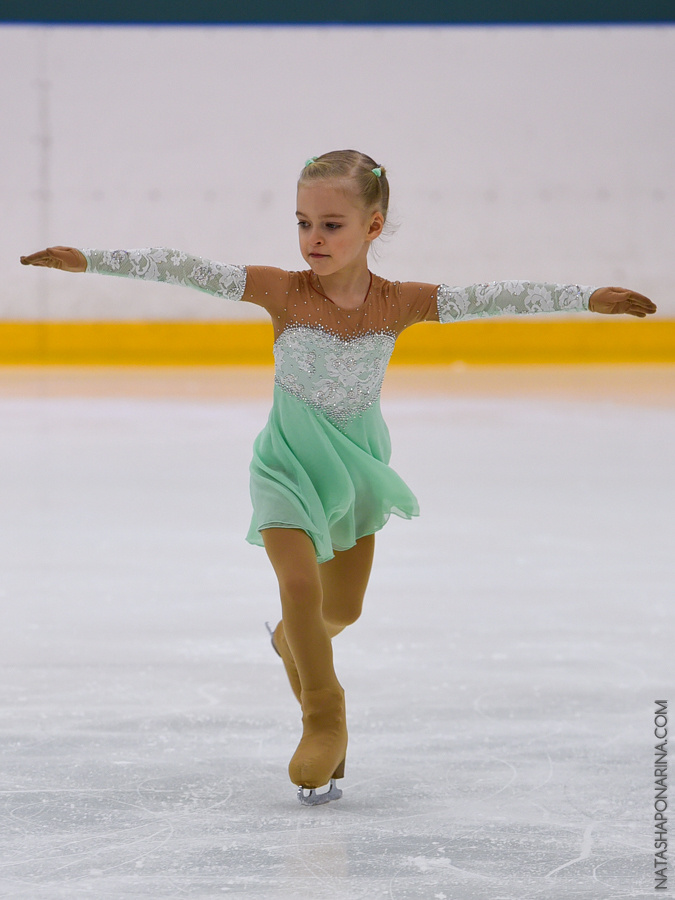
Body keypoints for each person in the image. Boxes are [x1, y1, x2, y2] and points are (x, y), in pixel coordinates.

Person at [21, 149, 657, 806]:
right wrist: (88, 260)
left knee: (339, 611)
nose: (312, 239)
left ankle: (291, 644)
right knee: (298, 587)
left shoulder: (400, 303)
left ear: (373, 227)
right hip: (285, 469)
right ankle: (323, 717)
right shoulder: (281, 291)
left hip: (354, 476)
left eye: (330, 225)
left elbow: (491, 297)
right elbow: (186, 269)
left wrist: (587, 298)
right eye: (302, 223)